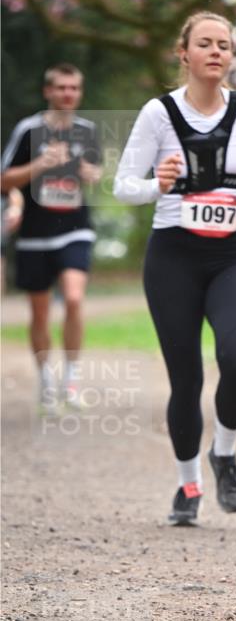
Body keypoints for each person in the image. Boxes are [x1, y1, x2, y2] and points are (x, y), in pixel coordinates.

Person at [114, 11, 236, 526]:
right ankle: (188, 484)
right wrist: (157, 184)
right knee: (185, 380)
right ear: (183, 53)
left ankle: (224, 455)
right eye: (205, 43)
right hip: (174, 257)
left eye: (224, 45)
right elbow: (123, 185)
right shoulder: (158, 113)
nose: (216, 52)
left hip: (233, 254)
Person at [0, 64, 102, 408]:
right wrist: (40, 165)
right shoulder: (29, 130)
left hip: (75, 228)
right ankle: (46, 380)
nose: (67, 94)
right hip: (34, 234)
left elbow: (96, 172)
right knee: (40, 313)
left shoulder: (87, 130)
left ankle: (70, 381)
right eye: (61, 88)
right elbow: (4, 180)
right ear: (48, 92)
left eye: (73, 88)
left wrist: (89, 171)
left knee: (74, 298)